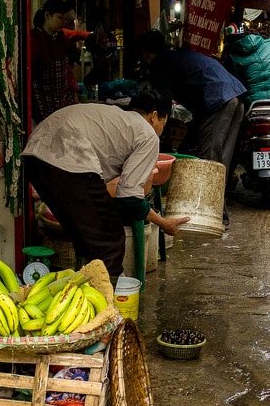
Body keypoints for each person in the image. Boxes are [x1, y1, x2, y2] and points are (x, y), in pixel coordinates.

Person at [24, 87, 190, 279]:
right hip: (68, 160)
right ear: (154, 116)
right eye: (164, 122)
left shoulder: (117, 120)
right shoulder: (147, 134)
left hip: (34, 157)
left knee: (84, 235)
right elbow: (130, 197)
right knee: (110, 239)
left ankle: (83, 287)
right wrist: (162, 222)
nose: (161, 130)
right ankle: (107, 295)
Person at [136, 30, 246, 173]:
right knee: (224, 152)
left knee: (210, 155)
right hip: (235, 94)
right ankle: (220, 185)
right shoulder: (176, 56)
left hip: (218, 98)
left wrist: (161, 132)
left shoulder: (161, 63)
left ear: (146, 55)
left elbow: (163, 102)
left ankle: (209, 186)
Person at [29, 0, 89, 123]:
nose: (63, 22)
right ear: (47, 15)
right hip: (43, 100)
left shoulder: (62, 35)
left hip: (63, 98)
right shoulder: (34, 39)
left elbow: (80, 34)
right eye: (60, 18)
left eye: (65, 19)